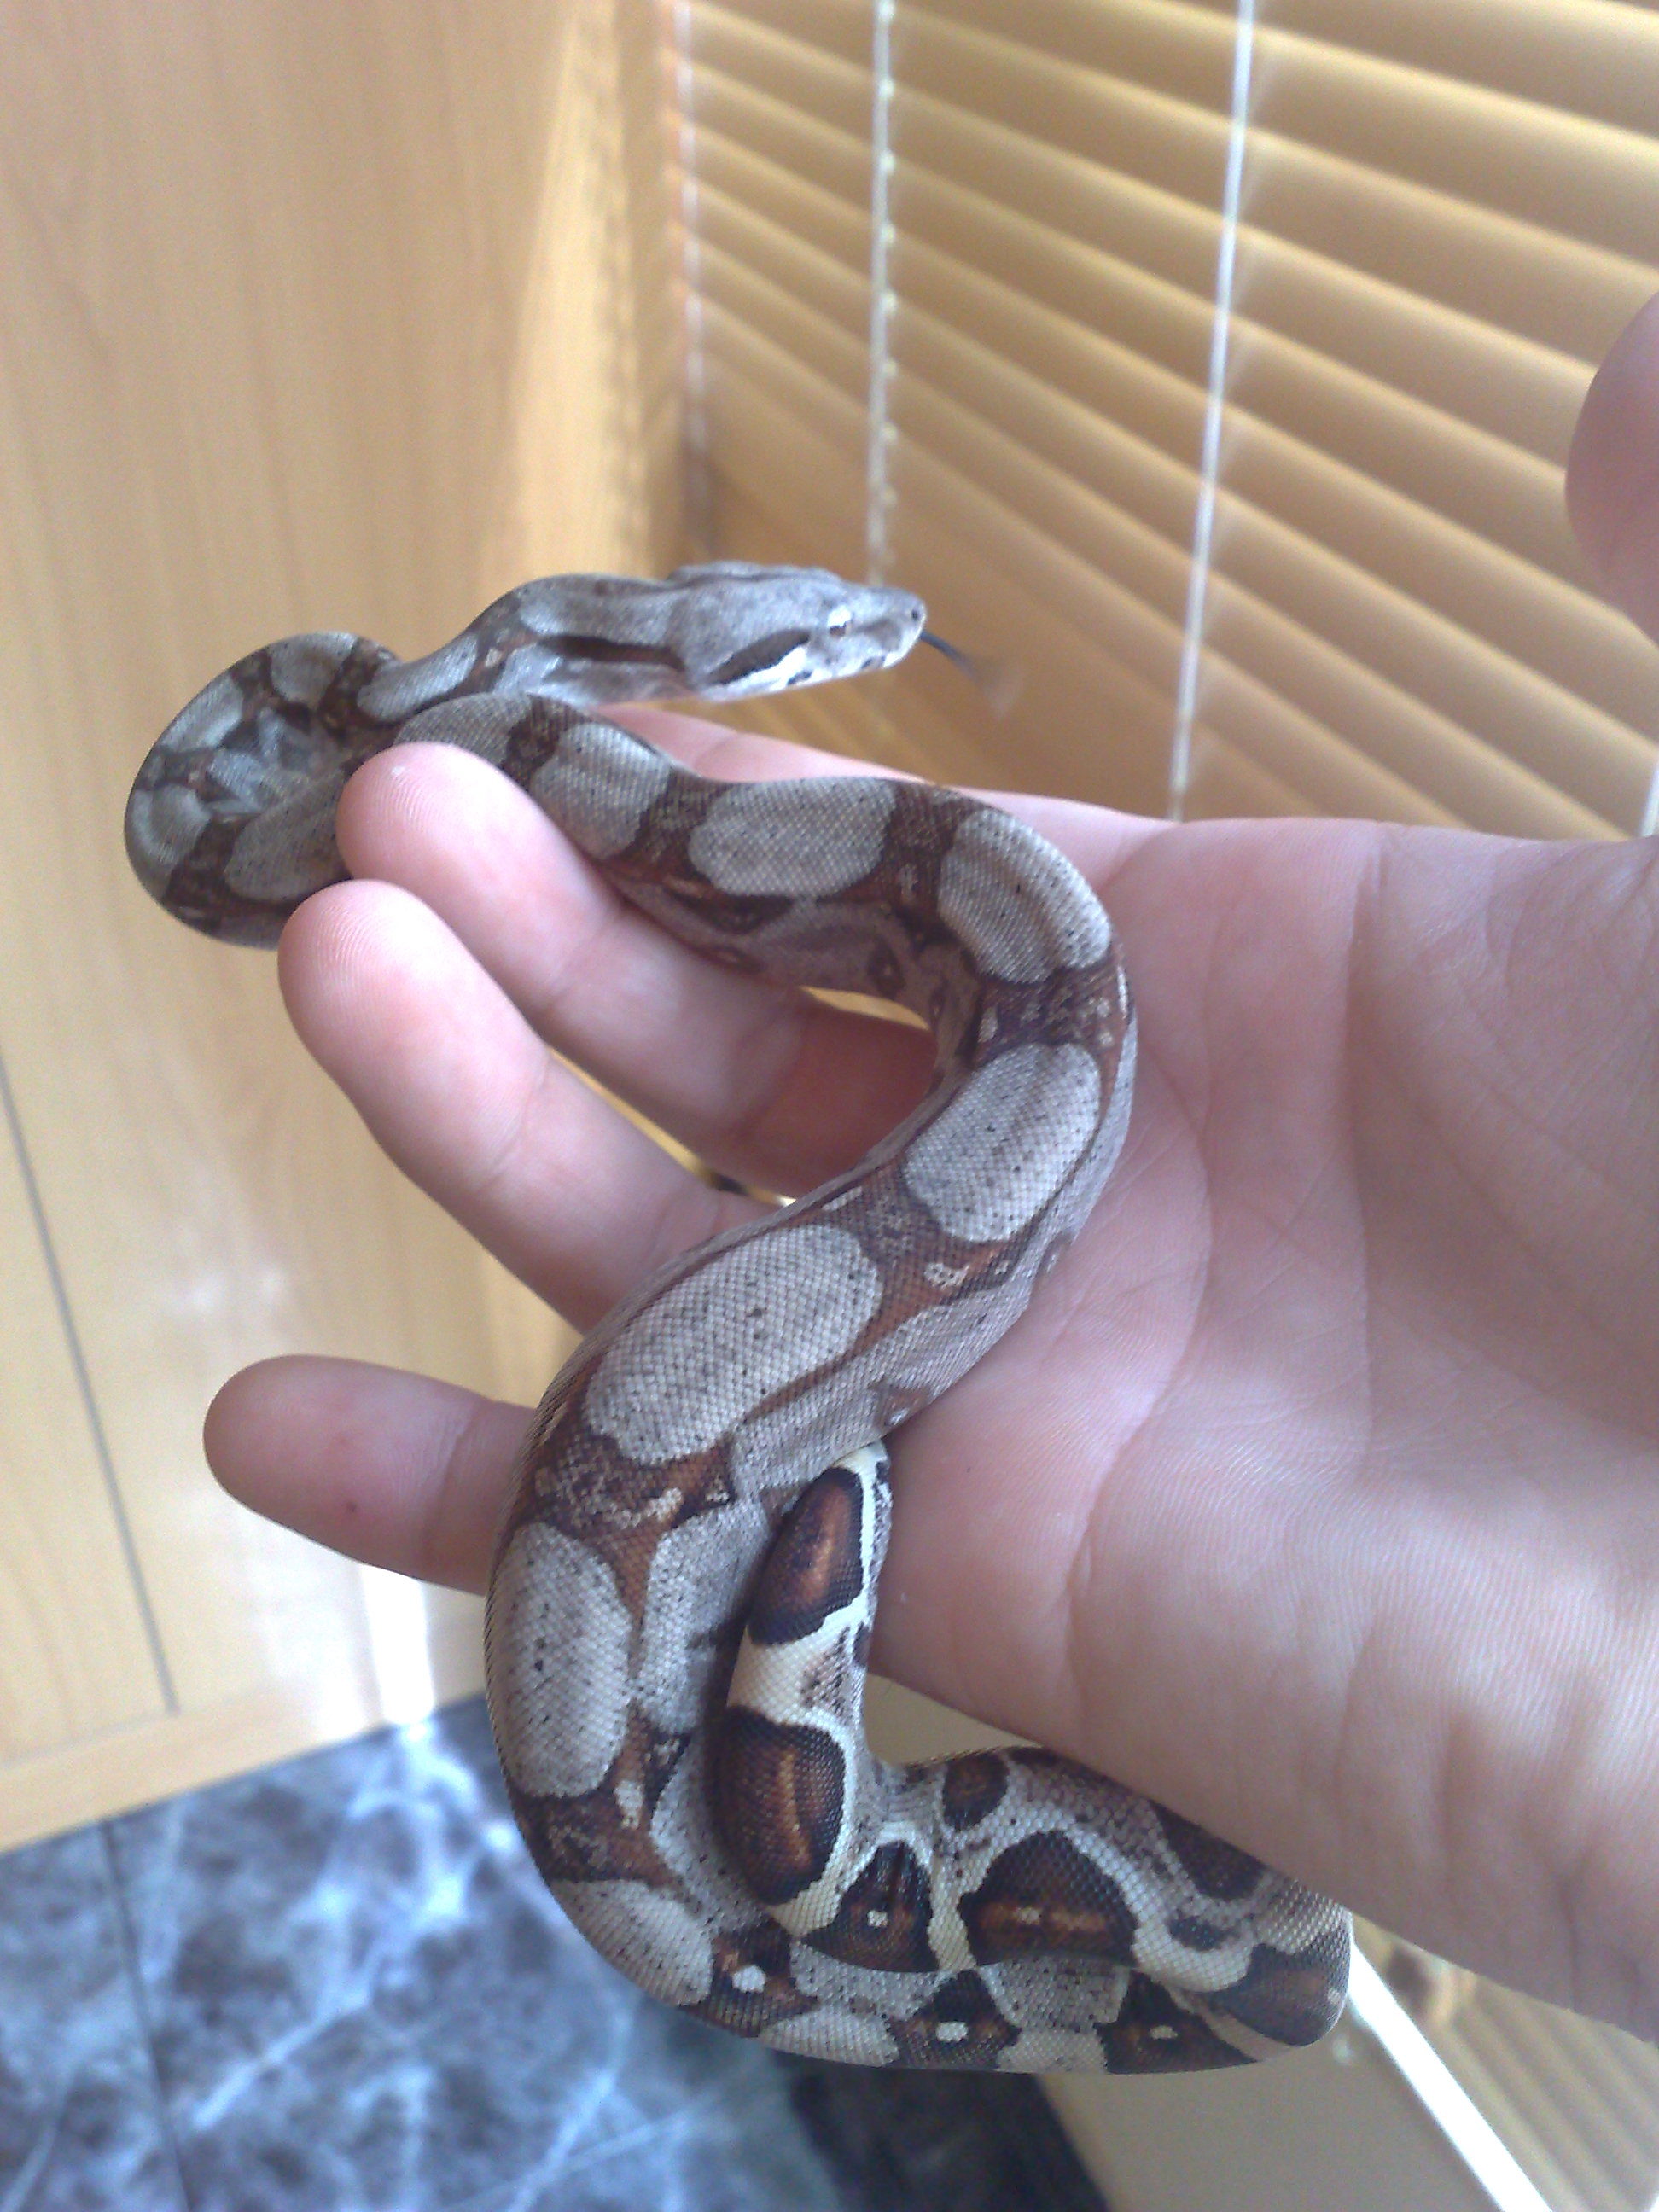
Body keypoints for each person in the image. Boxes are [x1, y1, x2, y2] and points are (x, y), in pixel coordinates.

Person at [202, 297, 1659, 2046]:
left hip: (767, 1828)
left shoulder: (514, 703)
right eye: (825, 637)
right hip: (767, 1790)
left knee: (1243, 1974)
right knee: (1255, 1981)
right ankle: (863, 1895)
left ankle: (853, 1892)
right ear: (683, 648)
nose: (874, 633)